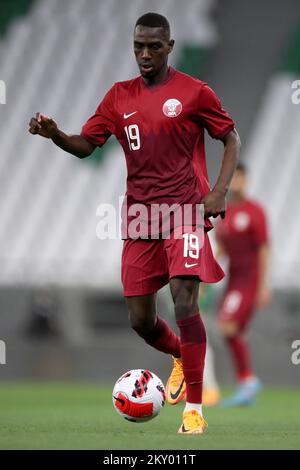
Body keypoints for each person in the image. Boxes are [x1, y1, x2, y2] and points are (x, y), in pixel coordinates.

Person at [28, 12, 240, 434]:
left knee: (184, 301)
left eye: (154, 46)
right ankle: (181, 355)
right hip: (140, 217)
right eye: (138, 46)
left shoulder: (194, 93)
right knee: (141, 320)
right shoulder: (118, 97)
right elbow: (87, 145)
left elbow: (230, 137)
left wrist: (218, 191)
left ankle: (194, 410)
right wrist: (55, 134)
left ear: (170, 46)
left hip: (185, 212)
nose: (145, 54)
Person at [215, 163, 270, 406]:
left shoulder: (255, 211)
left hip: (249, 279)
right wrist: (205, 273)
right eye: (232, 178)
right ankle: (246, 385)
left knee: (227, 326)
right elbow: (221, 249)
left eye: (239, 178)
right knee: (234, 331)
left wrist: (263, 286)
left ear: (246, 181)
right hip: (234, 278)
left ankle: (248, 380)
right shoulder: (224, 212)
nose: (235, 182)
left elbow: (264, 249)